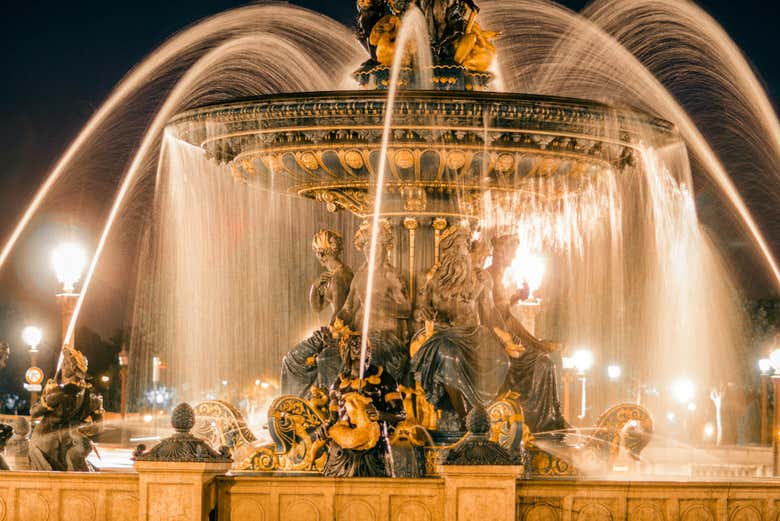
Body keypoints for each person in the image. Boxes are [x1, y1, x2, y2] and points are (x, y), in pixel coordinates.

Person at [410, 225, 515, 427]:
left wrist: (507, 337)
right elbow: (418, 310)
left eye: (465, 247)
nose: (462, 253)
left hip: (476, 335)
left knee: (503, 360)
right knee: (451, 357)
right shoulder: (430, 280)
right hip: (444, 335)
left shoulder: (481, 279)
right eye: (457, 247)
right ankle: (466, 416)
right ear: (447, 251)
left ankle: (490, 414)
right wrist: (421, 313)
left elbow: (491, 313)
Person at [488, 234, 567, 434]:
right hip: (496, 341)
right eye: (512, 253)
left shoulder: (495, 276)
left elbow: (501, 313)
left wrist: (515, 297)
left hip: (500, 337)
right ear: (501, 252)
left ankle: (550, 417)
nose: (513, 258)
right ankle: (540, 421)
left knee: (544, 360)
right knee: (544, 362)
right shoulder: (494, 276)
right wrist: (538, 344)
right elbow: (506, 319)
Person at [336, 219, 411, 385]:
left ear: (384, 249)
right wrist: (336, 323)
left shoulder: (390, 275)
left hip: (385, 337)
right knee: (328, 356)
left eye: (374, 246)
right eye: (366, 246)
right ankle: (337, 402)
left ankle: (371, 400)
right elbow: (348, 308)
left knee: (366, 359)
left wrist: (379, 304)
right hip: (359, 336)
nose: (369, 250)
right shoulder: (360, 277)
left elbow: (406, 309)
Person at [321, 330, 405, 477]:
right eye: (354, 345)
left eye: (363, 345)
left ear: (369, 352)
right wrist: (326, 426)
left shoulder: (384, 380)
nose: (359, 348)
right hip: (343, 452)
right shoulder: (338, 385)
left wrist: (380, 414)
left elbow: (401, 414)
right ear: (347, 351)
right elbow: (333, 420)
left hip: (374, 450)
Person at [281, 230, 354, 397]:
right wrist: (315, 286)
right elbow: (317, 307)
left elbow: (339, 310)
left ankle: (295, 401)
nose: (317, 256)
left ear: (322, 253)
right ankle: (300, 399)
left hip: (338, 332)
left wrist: (328, 334)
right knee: (294, 359)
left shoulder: (340, 277)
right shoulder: (333, 275)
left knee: (292, 360)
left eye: (316, 252)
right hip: (334, 329)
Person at [28, 346, 103, 471]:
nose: (63, 367)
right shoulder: (94, 395)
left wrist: (46, 395)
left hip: (45, 445)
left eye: (65, 364)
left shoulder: (59, 393)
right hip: (71, 444)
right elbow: (99, 426)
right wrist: (81, 429)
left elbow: (34, 412)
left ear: (74, 368)